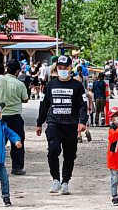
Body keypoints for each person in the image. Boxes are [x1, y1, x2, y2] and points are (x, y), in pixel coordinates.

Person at [36, 55, 87, 195]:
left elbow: (83, 105)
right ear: (56, 68)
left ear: (71, 68)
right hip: (54, 124)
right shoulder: (50, 85)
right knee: (53, 150)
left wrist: (82, 121)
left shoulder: (77, 86)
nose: (62, 70)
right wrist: (39, 123)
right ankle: (55, 180)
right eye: (60, 67)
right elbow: (44, 105)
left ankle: (65, 182)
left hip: (71, 125)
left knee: (70, 155)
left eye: (65, 67)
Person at [0, 59, 29, 176]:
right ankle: (16, 167)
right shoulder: (19, 84)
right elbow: (25, 99)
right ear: (17, 71)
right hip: (15, 116)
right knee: (17, 141)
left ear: (7, 69)